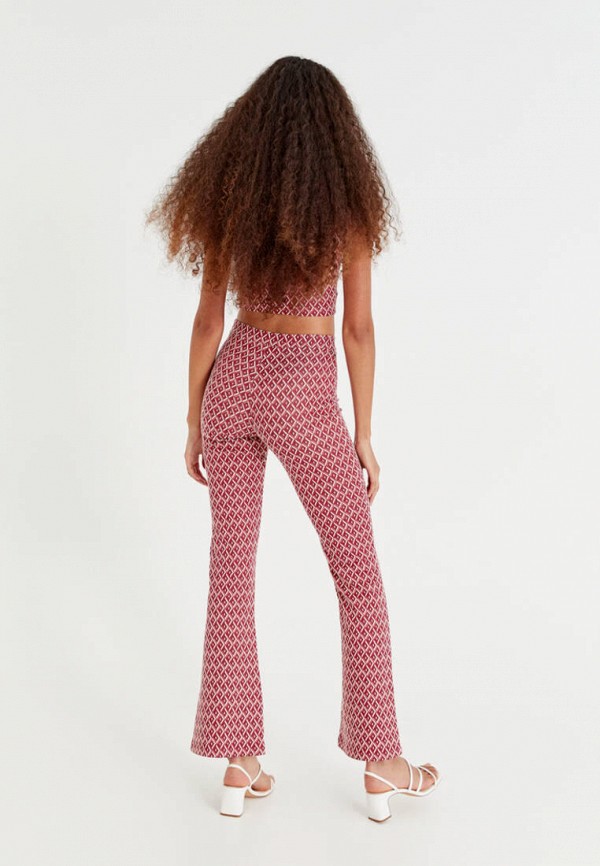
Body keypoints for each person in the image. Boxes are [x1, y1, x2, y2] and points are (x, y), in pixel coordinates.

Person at [146, 55, 440, 822]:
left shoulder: (233, 204)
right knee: (357, 574)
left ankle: (237, 761)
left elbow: (208, 322)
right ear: (338, 136)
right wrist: (364, 432)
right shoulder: (347, 213)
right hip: (304, 394)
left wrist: (194, 416)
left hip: (234, 380)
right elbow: (358, 330)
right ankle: (381, 762)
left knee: (230, 573)